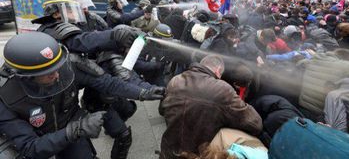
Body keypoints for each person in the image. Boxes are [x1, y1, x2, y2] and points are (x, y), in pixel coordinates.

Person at [0, 32, 165, 159]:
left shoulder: (70, 66)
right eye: (48, 73)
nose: (57, 75)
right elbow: (30, 147)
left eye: (58, 67)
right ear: (25, 76)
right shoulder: (6, 99)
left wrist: (143, 92)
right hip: (43, 138)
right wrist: (76, 130)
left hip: (72, 129)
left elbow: (109, 83)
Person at [160, 55, 262, 159]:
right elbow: (255, 124)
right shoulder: (222, 89)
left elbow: (161, 110)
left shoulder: (175, 81)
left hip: (168, 151)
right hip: (198, 154)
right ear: (218, 70)